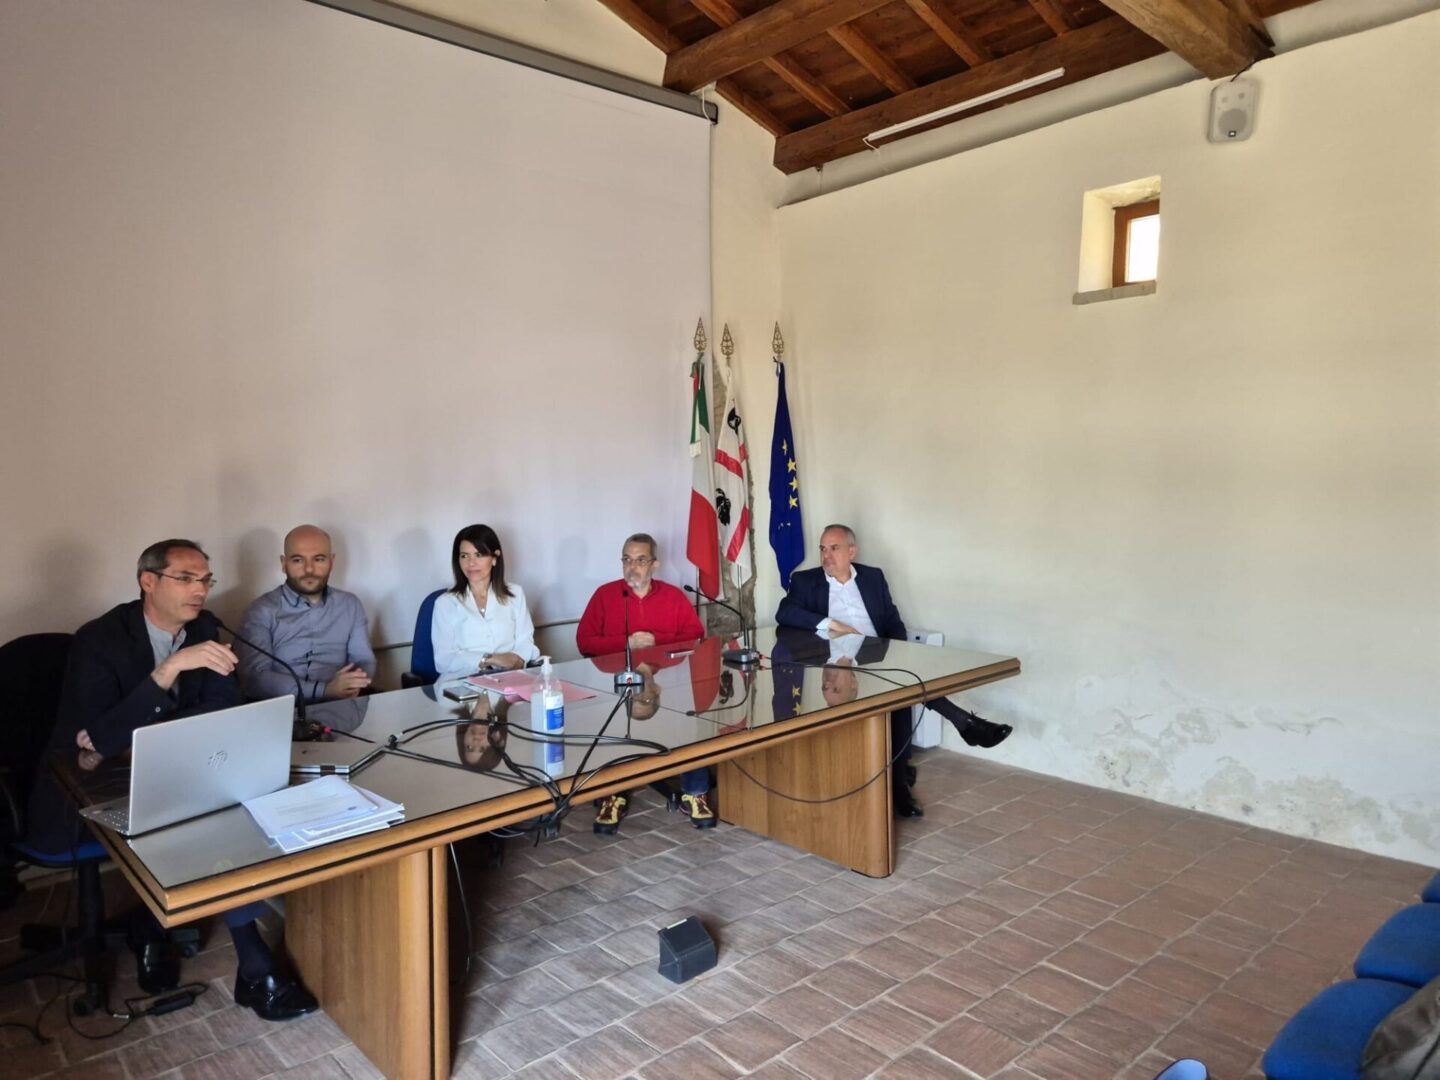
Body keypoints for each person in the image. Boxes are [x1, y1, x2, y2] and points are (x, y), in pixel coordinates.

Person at [30, 539, 318, 1020]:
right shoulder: (99, 639)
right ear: (148, 581)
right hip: (81, 790)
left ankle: (225, 954)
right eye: (185, 578)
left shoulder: (205, 627)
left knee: (230, 807)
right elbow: (99, 742)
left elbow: (221, 707)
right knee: (207, 823)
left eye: (205, 579)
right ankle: (245, 963)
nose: (200, 590)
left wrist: (139, 734)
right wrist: (169, 670)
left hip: (167, 768)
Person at [776, 523, 1013, 819]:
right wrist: (830, 623)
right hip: (835, 660)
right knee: (903, 688)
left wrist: (900, 651)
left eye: (834, 548)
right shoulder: (805, 581)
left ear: (852, 551)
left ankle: (905, 777)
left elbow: (891, 620)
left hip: (876, 656)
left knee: (902, 684)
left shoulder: (872, 577)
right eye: (823, 548)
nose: (826, 555)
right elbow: (784, 612)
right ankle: (960, 729)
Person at [575, 533, 712, 833]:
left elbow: (696, 636)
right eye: (627, 559)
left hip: (670, 686)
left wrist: (656, 640)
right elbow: (584, 642)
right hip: (616, 691)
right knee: (608, 729)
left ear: (654, 564)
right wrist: (624, 643)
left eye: (640, 560)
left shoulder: (673, 596)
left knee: (691, 726)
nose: (632, 567)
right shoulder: (605, 595)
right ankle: (611, 794)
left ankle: (695, 792)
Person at [237, 525, 375, 702]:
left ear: (331, 562)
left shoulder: (350, 605)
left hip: (342, 704)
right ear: (284, 564)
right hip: (284, 709)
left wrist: (354, 684)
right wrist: (324, 690)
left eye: (318, 559)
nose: (309, 569)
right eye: (298, 560)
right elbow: (256, 678)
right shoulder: (261, 611)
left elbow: (364, 659)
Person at [431, 524, 540, 684]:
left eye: (479, 555)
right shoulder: (445, 603)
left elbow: (526, 642)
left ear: (495, 558)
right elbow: (444, 659)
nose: (471, 563)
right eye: (464, 556)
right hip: (460, 684)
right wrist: (489, 659)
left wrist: (516, 659)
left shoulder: (515, 594)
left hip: (509, 680)